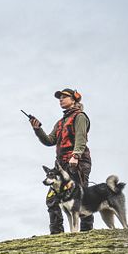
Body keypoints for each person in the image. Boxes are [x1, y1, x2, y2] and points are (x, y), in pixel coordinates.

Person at [28, 88, 93, 234]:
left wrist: (75, 156)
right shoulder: (60, 122)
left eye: (64, 97)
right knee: (52, 199)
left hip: (78, 163)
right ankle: (57, 234)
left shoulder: (80, 116)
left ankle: (86, 232)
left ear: (74, 99)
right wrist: (37, 129)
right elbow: (49, 140)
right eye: (60, 98)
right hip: (61, 166)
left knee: (81, 196)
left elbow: (81, 138)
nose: (61, 99)